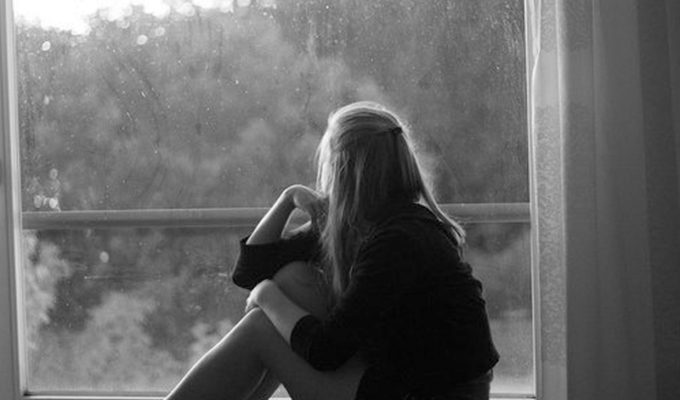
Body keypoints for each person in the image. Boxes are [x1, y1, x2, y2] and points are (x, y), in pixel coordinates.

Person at [165, 101, 499, 400]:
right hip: (404, 377)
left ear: (342, 170)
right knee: (293, 280)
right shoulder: (365, 222)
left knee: (261, 327)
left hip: (434, 393)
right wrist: (288, 199)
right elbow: (250, 272)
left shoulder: (398, 241)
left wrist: (266, 295)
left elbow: (326, 351)